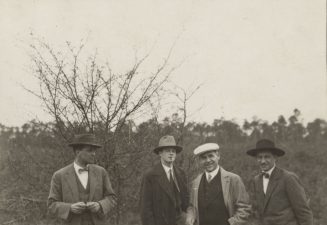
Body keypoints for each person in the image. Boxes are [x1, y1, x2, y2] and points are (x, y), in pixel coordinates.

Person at [48, 133, 117, 225]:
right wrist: (70, 208)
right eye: (90, 151)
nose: (94, 154)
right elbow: (52, 204)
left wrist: (100, 205)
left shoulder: (101, 172)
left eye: (94, 151)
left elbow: (112, 198)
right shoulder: (59, 175)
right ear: (77, 152)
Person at [246, 139, 313, 225]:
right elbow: (258, 212)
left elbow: (303, 212)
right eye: (260, 157)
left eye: (267, 157)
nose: (263, 161)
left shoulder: (288, 178)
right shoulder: (256, 180)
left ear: (275, 158)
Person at [186, 143, 251, 225]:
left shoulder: (233, 179)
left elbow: (244, 209)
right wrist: (190, 215)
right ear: (199, 161)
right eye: (204, 158)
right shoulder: (196, 182)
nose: (208, 160)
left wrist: (231, 223)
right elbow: (192, 206)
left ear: (218, 156)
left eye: (211, 156)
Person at [139, 135, 189, 225]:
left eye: (173, 151)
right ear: (160, 153)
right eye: (167, 151)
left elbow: (186, 201)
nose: (171, 153)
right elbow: (145, 210)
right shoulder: (150, 176)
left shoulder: (181, 173)